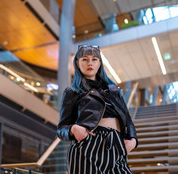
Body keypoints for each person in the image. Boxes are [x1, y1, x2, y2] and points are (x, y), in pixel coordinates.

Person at [57, 45, 138, 173]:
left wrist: (133, 140)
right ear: (77, 64)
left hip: (116, 143)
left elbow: (128, 120)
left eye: (94, 59)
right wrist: (73, 128)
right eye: (85, 59)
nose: (90, 63)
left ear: (99, 63)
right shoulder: (72, 92)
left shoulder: (113, 90)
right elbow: (61, 129)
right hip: (88, 144)